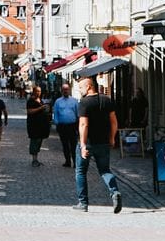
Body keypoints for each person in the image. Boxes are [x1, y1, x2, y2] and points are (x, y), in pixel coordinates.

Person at [73, 74, 122, 213]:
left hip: (88, 143)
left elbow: (83, 125)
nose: (80, 90)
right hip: (103, 143)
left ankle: (83, 203)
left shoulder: (83, 103)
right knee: (105, 170)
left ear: (89, 86)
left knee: (81, 172)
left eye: (81, 87)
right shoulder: (107, 100)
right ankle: (115, 192)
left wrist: (82, 145)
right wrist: (112, 138)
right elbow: (114, 121)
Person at [52, 82, 79, 167]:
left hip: (72, 126)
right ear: (61, 91)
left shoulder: (74, 101)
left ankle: (75, 162)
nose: (65, 91)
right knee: (65, 144)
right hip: (62, 126)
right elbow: (55, 113)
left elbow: (78, 113)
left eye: (67, 89)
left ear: (69, 90)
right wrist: (56, 124)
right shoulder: (58, 101)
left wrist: (78, 126)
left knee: (73, 145)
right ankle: (67, 161)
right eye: (64, 90)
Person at [26, 84, 51, 167]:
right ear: (33, 92)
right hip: (33, 126)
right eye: (37, 91)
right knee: (34, 142)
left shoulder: (40, 100)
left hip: (41, 126)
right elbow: (29, 111)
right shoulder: (31, 101)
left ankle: (36, 159)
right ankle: (34, 159)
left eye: (39, 91)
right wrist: (40, 108)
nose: (38, 93)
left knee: (39, 141)